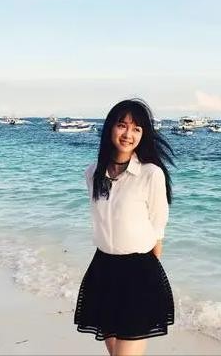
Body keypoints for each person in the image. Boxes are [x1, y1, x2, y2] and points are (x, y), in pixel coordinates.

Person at [74, 98, 175, 356]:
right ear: (110, 127)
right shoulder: (93, 173)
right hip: (103, 270)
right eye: (122, 125)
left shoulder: (151, 174)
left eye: (136, 129)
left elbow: (158, 228)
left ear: (143, 135)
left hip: (139, 273)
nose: (128, 134)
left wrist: (149, 280)